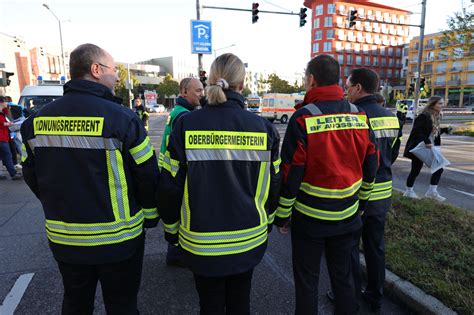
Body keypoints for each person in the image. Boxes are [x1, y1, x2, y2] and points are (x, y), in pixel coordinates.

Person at [20, 43, 160, 314]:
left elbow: (31, 175)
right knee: (121, 305)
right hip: (118, 240)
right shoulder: (123, 119)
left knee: (75, 302)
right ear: (96, 70)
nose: (117, 77)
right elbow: (147, 175)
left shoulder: (35, 122)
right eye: (113, 70)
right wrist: (151, 216)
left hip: (65, 238)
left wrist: (55, 202)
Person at [157, 53, 281, 314]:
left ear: (210, 80)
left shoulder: (186, 125)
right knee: (240, 304)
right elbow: (275, 183)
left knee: (209, 305)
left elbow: (170, 185)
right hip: (249, 239)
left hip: (200, 242)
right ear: (243, 84)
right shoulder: (264, 128)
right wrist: (269, 221)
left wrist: (171, 231)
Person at [274, 55, 378, 315]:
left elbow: (290, 173)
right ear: (339, 81)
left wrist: (283, 215)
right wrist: (361, 204)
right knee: (343, 279)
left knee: (307, 282)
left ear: (311, 80)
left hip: (310, 219)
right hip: (348, 216)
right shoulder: (359, 115)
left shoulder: (303, 118)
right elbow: (371, 166)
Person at [344, 68, 402, 311]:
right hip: (383, 193)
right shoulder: (392, 117)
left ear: (358, 88)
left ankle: (351, 296)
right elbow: (394, 152)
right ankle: (375, 294)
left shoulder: (354, 116)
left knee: (348, 248)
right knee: (375, 247)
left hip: (357, 193)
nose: (346, 91)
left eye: (348, 86)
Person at [158, 77, 204, 267]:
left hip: (169, 169)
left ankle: (175, 251)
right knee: (180, 213)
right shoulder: (184, 116)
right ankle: (177, 252)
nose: (202, 94)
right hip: (177, 172)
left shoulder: (178, 112)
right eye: (198, 91)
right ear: (184, 91)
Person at [403, 96, 449, 201]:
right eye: (440, 104)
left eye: (442, 103)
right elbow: (417, 131)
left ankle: (431, 192)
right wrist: (426, 142)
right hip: (421, 147)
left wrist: (444, 130)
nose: (442, 106)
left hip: (431, 147)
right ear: (433, 104)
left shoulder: (436, 116)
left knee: (439, 168)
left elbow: (431, 132)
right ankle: (409, 191)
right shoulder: (423, 116)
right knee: (416, 169)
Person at [0, 96, 22, 180]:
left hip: (4, 137)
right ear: (1, 102)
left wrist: (6, 109)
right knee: (7, 155)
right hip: (1, 138)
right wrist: (10, 124)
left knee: (4, 156)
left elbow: (7, 116)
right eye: (5, 102)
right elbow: (3, 123)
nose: (7, 103)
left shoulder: (3, 112)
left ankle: (12, 173)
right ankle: (13, 174)